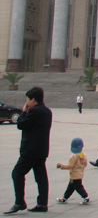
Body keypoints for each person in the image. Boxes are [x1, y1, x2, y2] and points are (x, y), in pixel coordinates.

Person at [6, 86, 52, 214]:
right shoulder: (47, 111)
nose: (26, 103)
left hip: (30, 150)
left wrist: (24, 111)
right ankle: (42, 203)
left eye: (27, 100)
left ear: (33, 99)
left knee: (17, 173)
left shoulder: (34, 111)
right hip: (42, 149)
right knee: (41, 176)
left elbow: (20, 124)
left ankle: (19, 202)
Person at [56, 137, 90, 205]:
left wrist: (61, 166)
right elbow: (85, 164)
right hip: (79, 174)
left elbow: (70, 165)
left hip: (74, 174)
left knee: (78, 187)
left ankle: (86, 197)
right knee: (71, 187)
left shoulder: (74, 156)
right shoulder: (83, 155)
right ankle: (65, 198)